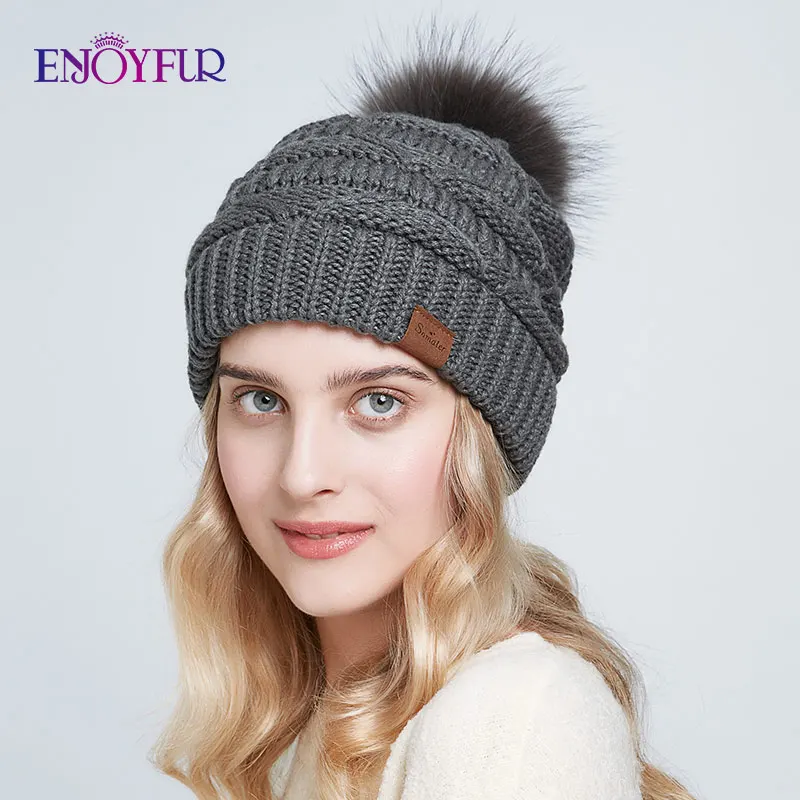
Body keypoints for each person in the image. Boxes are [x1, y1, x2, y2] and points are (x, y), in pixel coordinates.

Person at [149, 17, 698, 800]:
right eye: (260, 399)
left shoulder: (510, 725)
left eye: (378, 401)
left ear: (484, 431)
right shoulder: (312, 722)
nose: (303, 474)